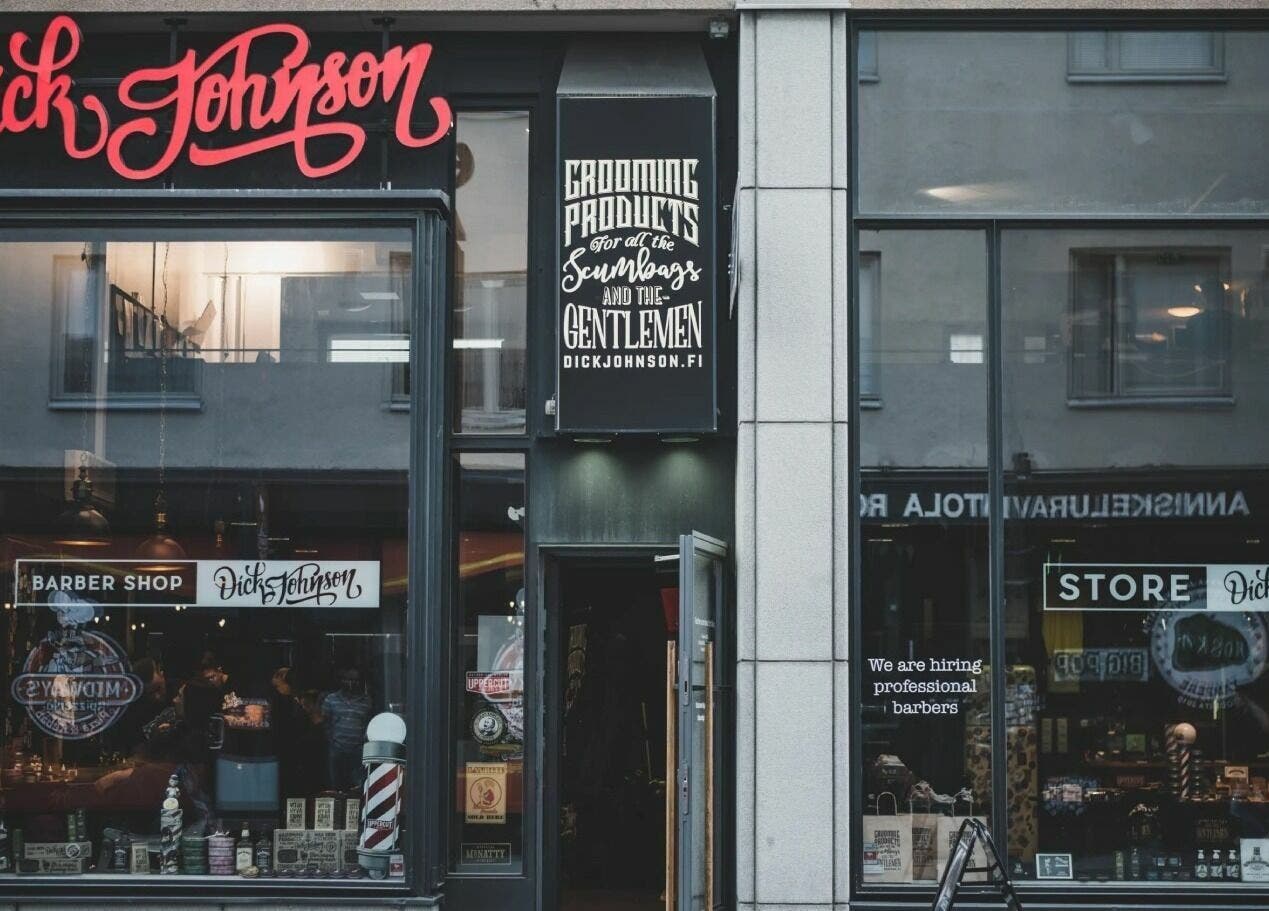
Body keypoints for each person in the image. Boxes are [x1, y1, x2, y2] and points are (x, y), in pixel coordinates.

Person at [321, 667, 372, 792]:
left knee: (357, 787)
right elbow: (325, 722)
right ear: (341, 680)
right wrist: (331, 740)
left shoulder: (367, 701)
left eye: (355, 680)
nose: (351, 683)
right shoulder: (331, 699)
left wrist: (362, 742)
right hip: (336, 749)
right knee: (336, 786)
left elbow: (369, 724)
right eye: (348, 679)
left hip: (357, 751)